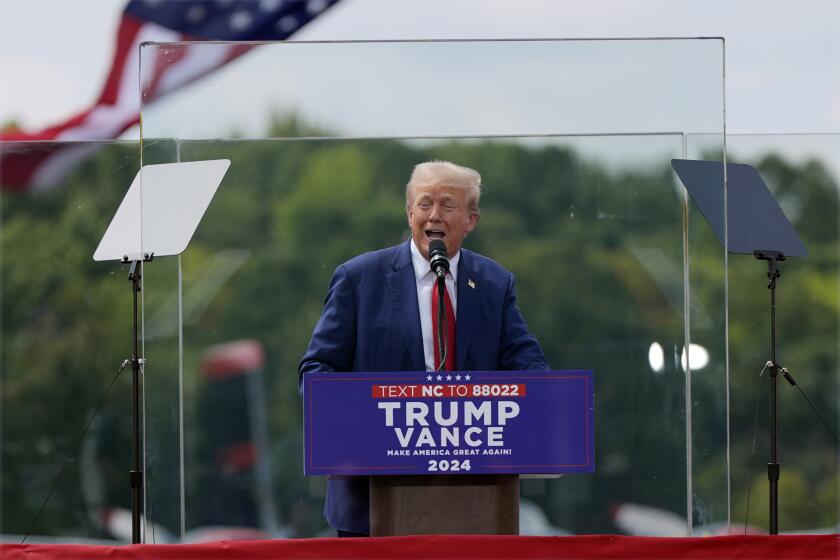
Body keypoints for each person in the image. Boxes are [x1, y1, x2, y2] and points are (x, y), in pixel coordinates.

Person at [299, 160, 549, 536]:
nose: (434, 215)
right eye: (424, 204)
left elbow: (528, 365)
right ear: (409, 212)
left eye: (448, 205)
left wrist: (547, 400)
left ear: (471, 220)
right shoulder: (359, 279)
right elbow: (316, 372)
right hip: (369, 504)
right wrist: (362, 416)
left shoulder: (495, 284)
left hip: (474, 501)